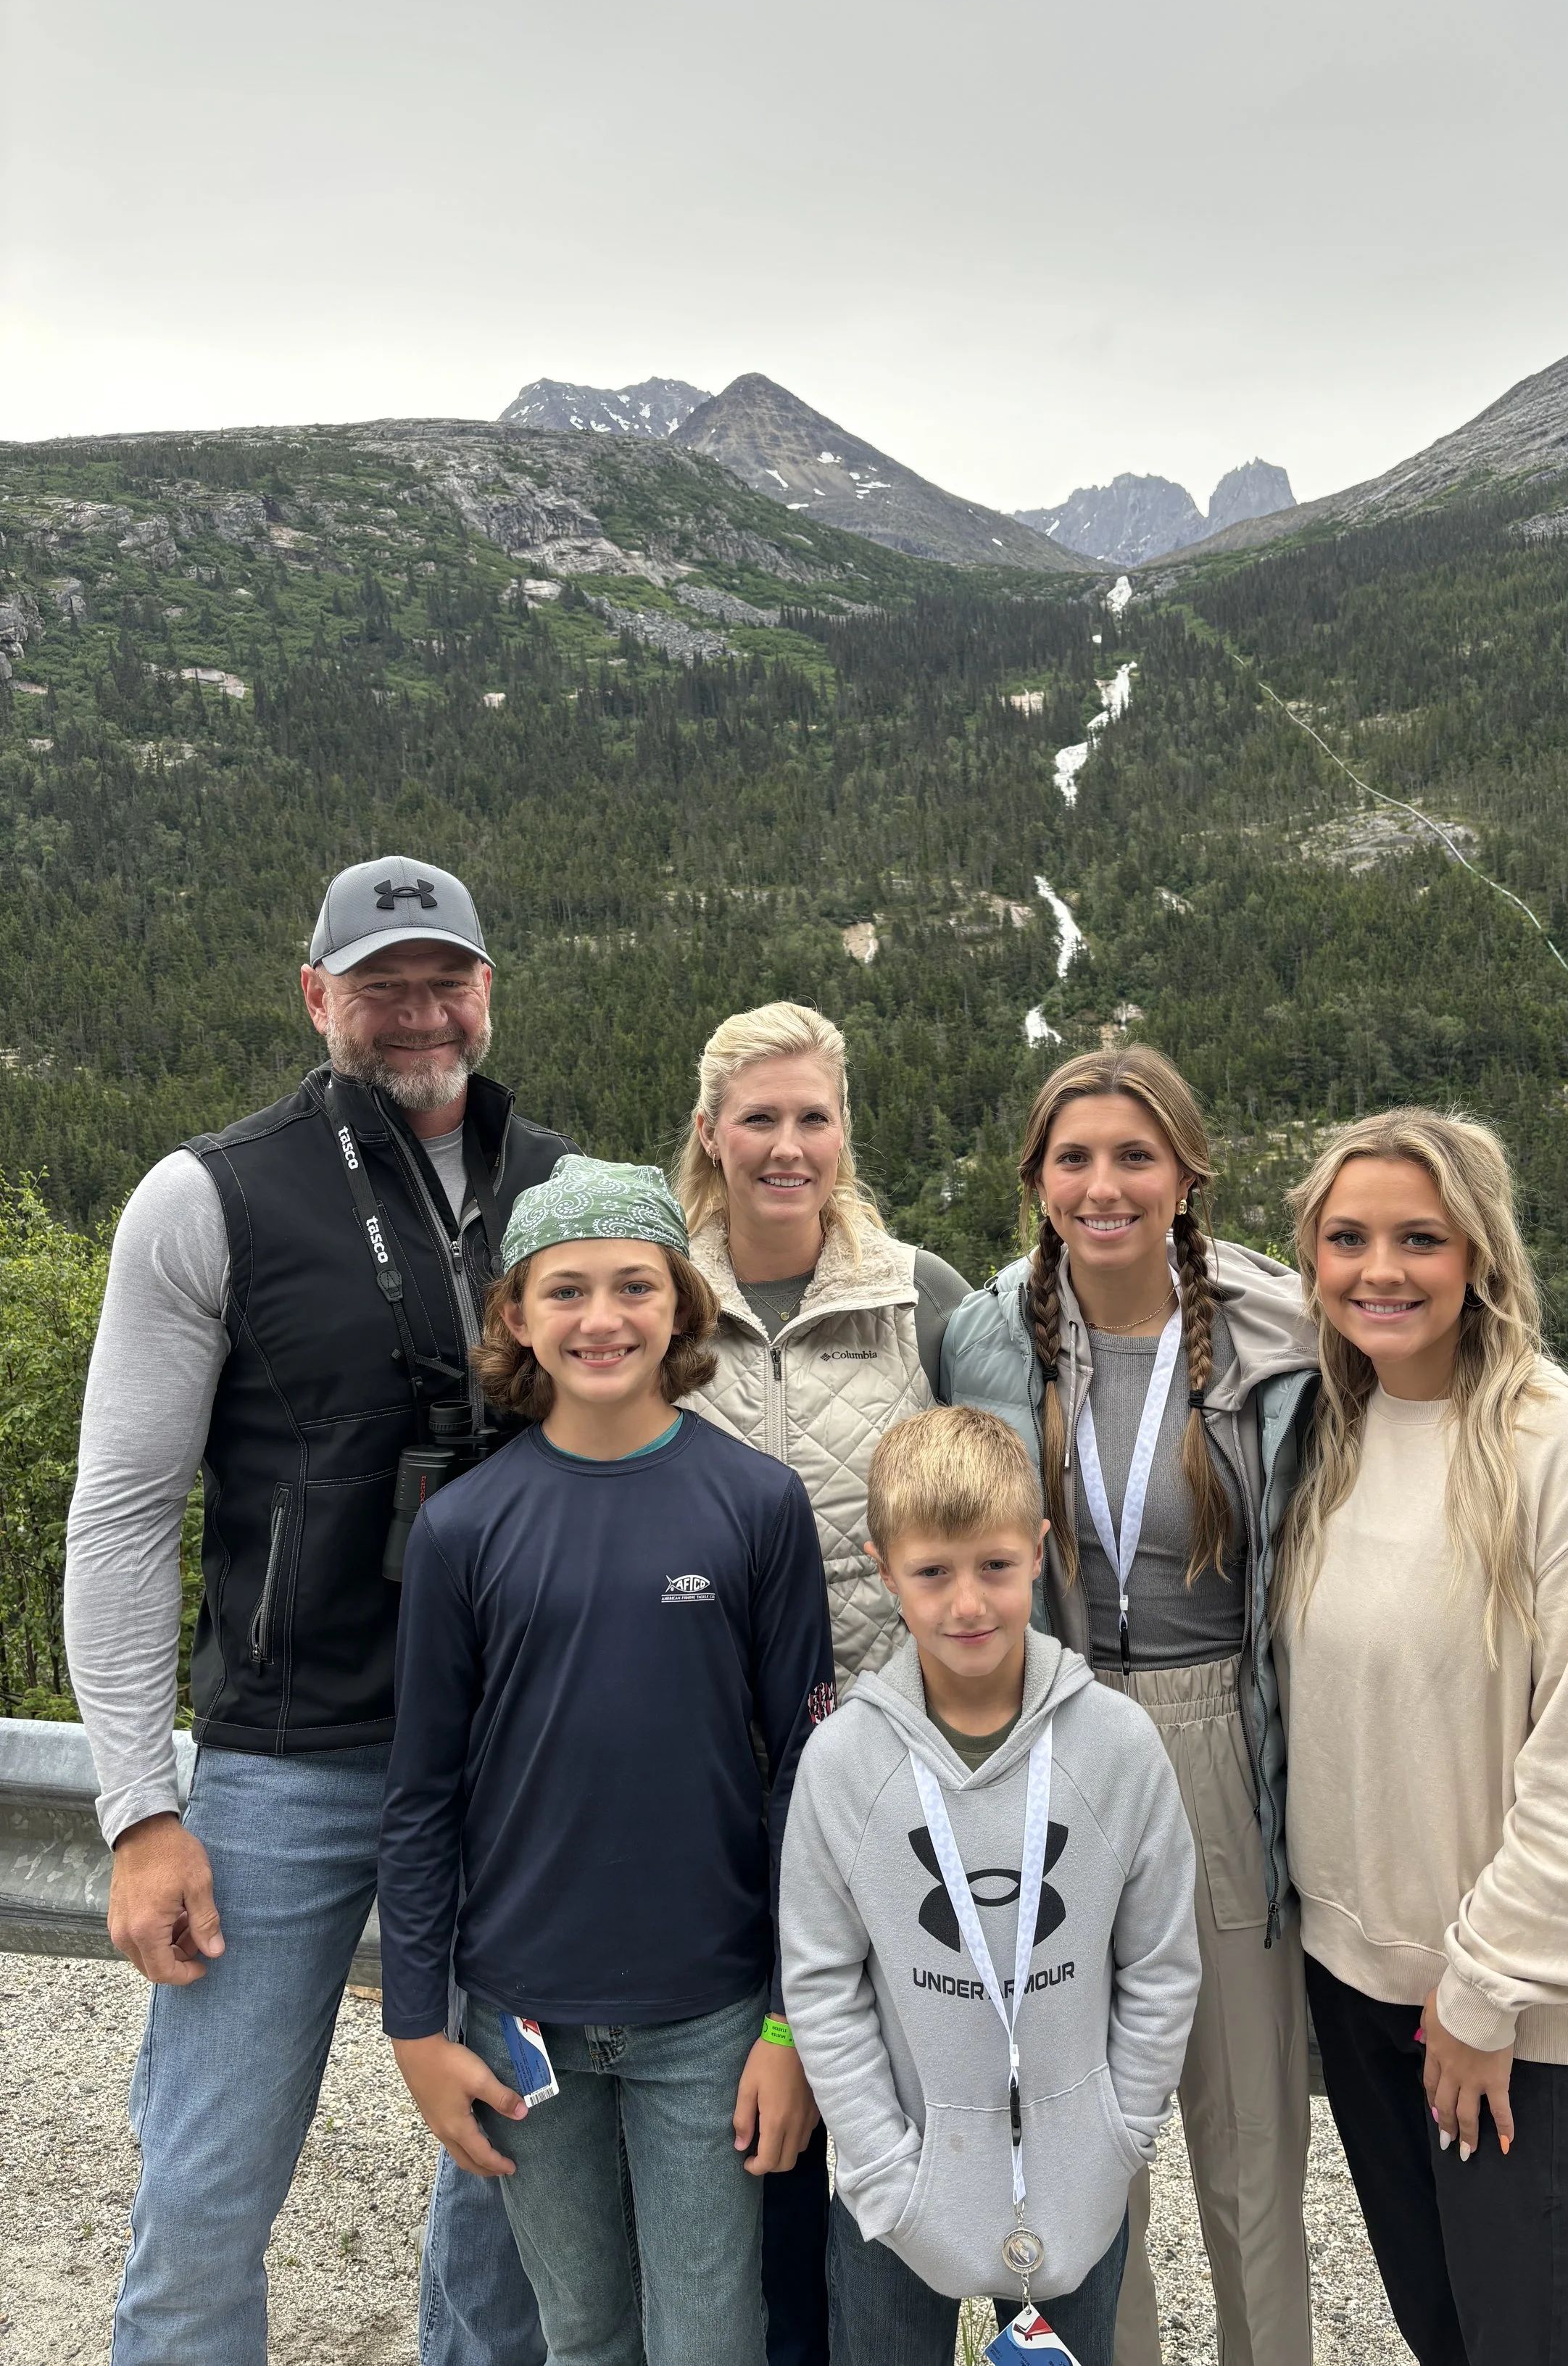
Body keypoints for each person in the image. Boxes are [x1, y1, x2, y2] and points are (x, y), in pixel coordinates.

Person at [63, 855, 569, 2366]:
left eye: (442, 976)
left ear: (486, 987)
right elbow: (120, 1512)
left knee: (513, 2171)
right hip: (287, 1762)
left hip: (511, 1760)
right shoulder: (208, 1193)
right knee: (209, 2188)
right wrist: (141, 1807)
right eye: (378, 982)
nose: (415, 1009)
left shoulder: (564, 1189)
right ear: (315, 996)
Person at [381, 1158, 837, 2366]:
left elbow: (804, 1778)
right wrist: (419, 2031)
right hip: (519, 2012)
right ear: (516, 1319)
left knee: (711, 2335)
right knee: (579, 2333)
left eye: (634, 1286)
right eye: (565, 1290)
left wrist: (790, 2029)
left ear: (681, 1305)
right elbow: (422, 1798)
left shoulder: (755, 1505)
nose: (601, 1319)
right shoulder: (463, 1529)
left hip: (713, 2013)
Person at [1273, 1108, 1568, 2366]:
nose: (1379, 1270)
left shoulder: (1565, 1451)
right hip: (1368, 1995)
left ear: (1482, 1257)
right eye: (1346, 1239)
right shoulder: (1331, 1440)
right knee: (1449, 2338)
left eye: (1420, 1238)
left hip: (1521, 2019)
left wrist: (1486, 1989)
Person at [940, 1045, 1321, 2366]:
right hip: (1054, 1744)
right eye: (1074, 1159)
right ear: (1038, 1182)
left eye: (1134, 1156)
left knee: (1249, 2138)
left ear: (1187, 1175)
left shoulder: (1282, 1328)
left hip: (1217, 1738)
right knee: (1078, 2141)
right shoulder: (984, 1335)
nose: (1104, 1186)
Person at [673, 998, 973, 2363]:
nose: (786, 1147)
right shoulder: (654, 1298)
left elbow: (993, 1515)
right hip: (705, 1786)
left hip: (891, 1780)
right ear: (711, 1135)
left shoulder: (925, 1298)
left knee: (896, 2101)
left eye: (812, 1119)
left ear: (845, 1134)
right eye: (759, 1119)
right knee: (745, 2113)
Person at [779, 1405, 1200, 2366]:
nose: (967, 1603)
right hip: (902, 2193)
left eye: (996, 1568)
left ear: (1040, 1554)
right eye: (933, 1573)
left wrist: (1119, 2137)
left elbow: (1163, 1963)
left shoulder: (1116, 1748)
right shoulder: (844, 1763)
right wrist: (885, 2169)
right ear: (887, 1572)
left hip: (1077, 2190)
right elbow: (821, 1980)